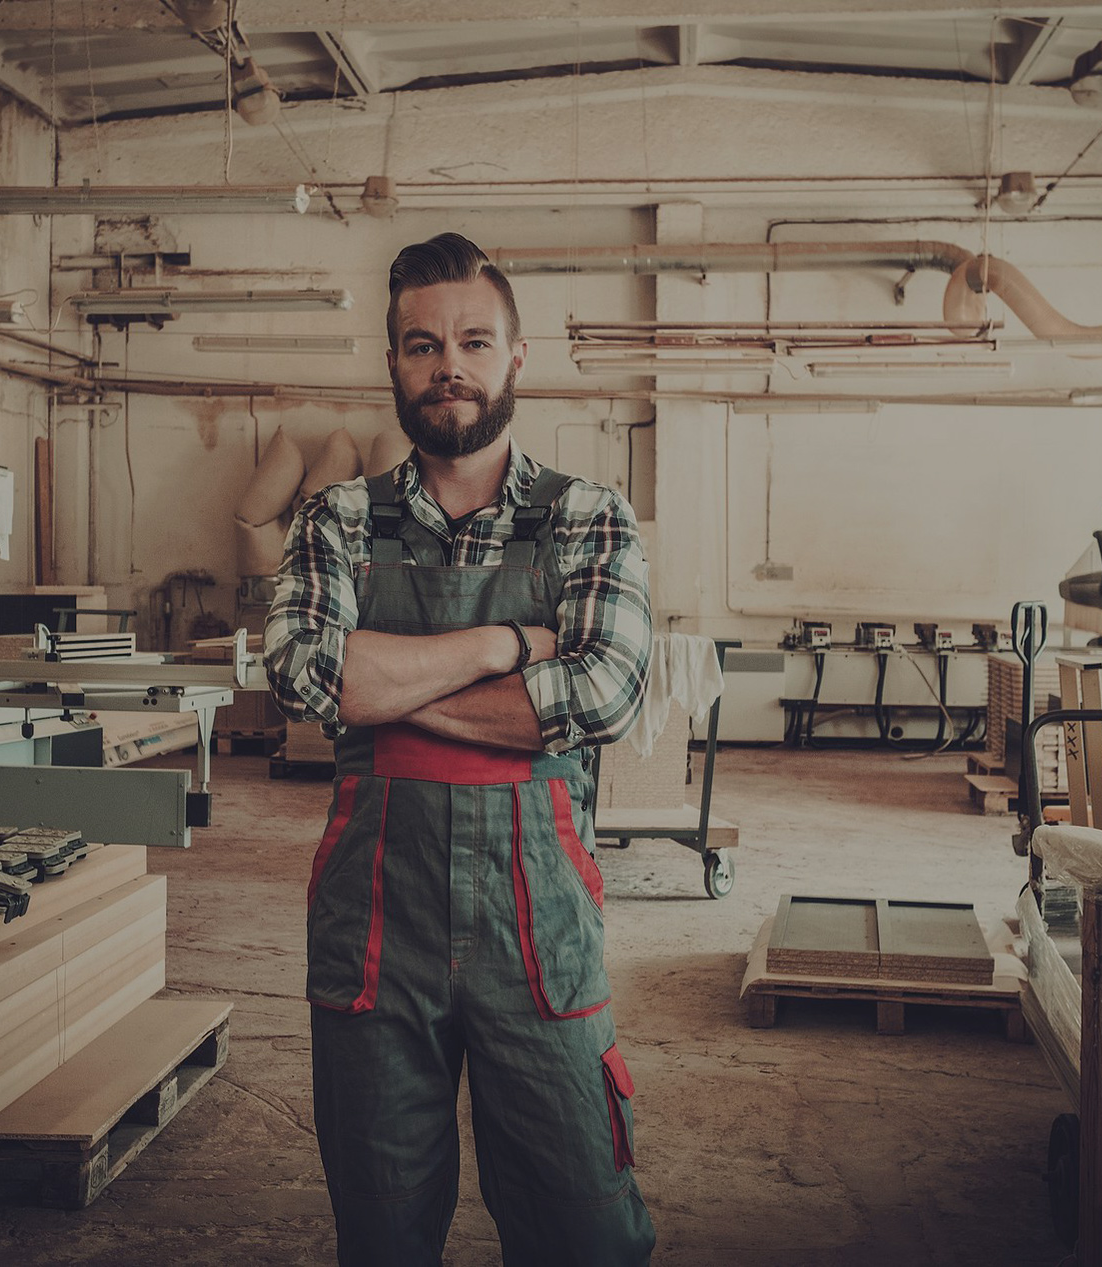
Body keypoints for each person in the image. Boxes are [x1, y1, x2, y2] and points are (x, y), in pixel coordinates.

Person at [265, 232, 656, 1266]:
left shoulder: (587, 518)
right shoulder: (335, 519)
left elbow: (601, 697)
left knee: (582, 1222)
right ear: (392, 362)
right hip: (374, 923)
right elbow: (312, 677)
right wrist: (499, 646)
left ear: (515, 356)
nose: (450, 364)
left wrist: (386, 687)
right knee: (381, 1226)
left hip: (538, 922)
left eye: (474, 341)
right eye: (423, 344)